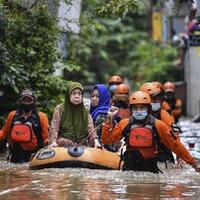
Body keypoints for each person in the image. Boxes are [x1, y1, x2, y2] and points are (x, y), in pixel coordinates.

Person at [102, 91, 200, 173]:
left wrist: (193, 163)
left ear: (148, 109)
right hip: (130, 168)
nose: (139, 111)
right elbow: (107, 140)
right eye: (136, 108)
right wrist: (108, 119)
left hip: (151, 168)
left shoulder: (159, 125)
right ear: (131, 110)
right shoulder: (125, 124)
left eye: (142, 108)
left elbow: (175, 145)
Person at [0, 89, 49, 163]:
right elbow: (4, 132)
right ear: (20, 102)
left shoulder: (42, 117)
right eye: (24, 100)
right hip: (15, 154)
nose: (26, 103)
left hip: (34, 155)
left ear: (34, 102)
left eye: (29, 100)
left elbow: (46, 138)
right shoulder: (12, 115)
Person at [48, 81, 101, 148]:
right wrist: (53, 142)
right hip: (63, 144)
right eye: (74, 93)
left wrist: (95, 141)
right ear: (68, 95)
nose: (77, 96)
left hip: (82, 145)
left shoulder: (85, 112)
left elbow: (90, 129)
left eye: (79, 94)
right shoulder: (60, 109)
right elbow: (54, 127)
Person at [140, 82, 177, 164]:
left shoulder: (164, 114)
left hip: (162, 152)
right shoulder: (133, 118)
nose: (156, 102)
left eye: (158, 98)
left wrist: (180, 156)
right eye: (153, 99)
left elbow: (175, 136)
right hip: (140, 154)